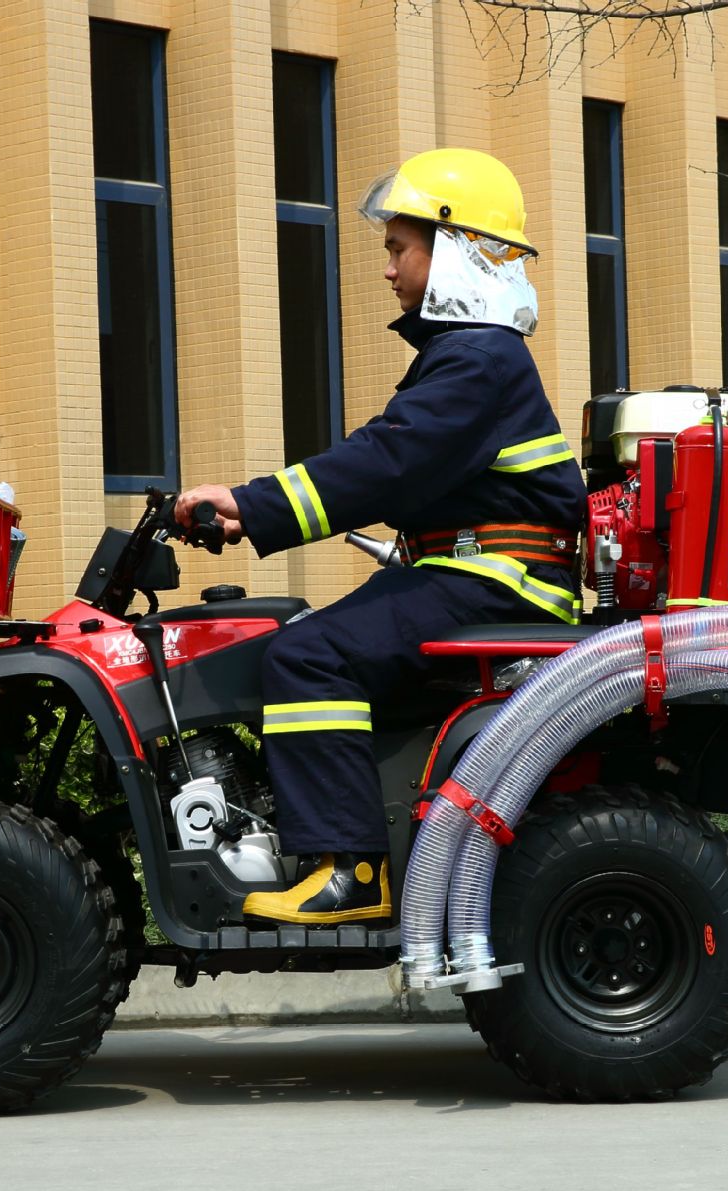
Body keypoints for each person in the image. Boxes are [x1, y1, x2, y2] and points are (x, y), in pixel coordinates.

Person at [174, 147, 585, 925]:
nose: (388, 268)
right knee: (305, 636)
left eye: (399, 248)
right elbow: (394, 463)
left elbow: (388, 462)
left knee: (309, 654)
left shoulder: (477, 357)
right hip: (477, 572)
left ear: (455, 247)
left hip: (497, 579)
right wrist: (249, 512)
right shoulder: (467, 356)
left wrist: (252, 504)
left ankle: (350, 872)